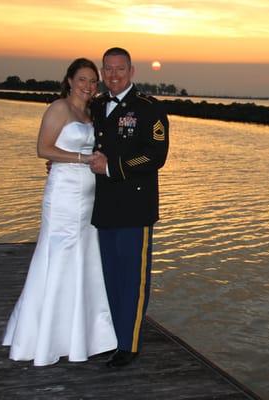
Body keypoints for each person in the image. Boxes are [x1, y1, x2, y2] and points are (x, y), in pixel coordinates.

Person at [2, 58, 117, 366]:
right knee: (59, 254)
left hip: (88, 195)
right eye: (82, 79)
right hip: (65, 193)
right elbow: (44, 148)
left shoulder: (91, 112)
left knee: (82, 258)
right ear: (69, 80)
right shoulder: (59, 108)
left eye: (94, 81)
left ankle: (79, 334)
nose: (89, 86)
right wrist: (81, 159)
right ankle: (44, 336)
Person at [89, 47, 169, 367]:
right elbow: (86, 146)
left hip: (135, 208)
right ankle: (115, 338)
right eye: (107, 69)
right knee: (110, 277)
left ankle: (129, 344)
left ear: (132, 71)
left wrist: (112, 167)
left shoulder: (150, 109)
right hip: (105, 207)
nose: (113, 75)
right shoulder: (96, 106)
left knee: (133, 280)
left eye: (119, 69)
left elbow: (155, 156)